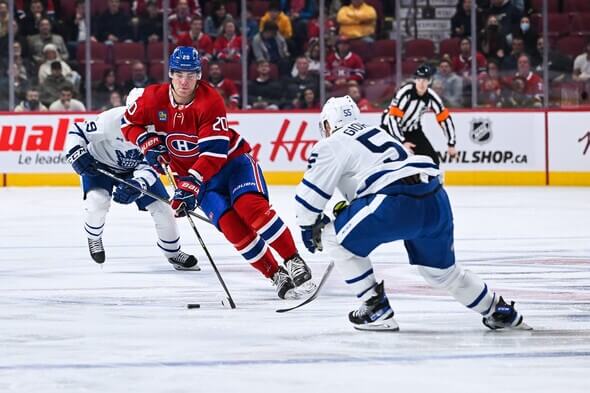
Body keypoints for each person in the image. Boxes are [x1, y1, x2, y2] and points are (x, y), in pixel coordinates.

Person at [295, 95, 531, 332]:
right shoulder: (379, 133)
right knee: (442, 273)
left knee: (332, 237)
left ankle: (375, 308)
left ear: (327, 123)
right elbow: (373, 177)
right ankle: (499, 311)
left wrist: (308, 226)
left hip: (395, 202)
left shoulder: (331, 143)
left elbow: (309, 196)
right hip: (434, 198)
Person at [121, 46, 313, 299]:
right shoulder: (151, 99)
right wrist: (146, 143)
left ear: (199, 75)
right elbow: (128, 123)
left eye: (191, 75)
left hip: (232, 165)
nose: (184, 81)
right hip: (196, 180)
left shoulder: (209, 100)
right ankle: (275, 273)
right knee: (232, 227)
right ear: (170, 73)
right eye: (179, 74)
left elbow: (214, 152)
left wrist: (190, 185)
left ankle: (293, 259)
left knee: (249, 208)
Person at [64, 94, 199, 271]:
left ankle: (173, 252)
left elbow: (154, 166)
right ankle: (94, 237)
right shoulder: (110, 120)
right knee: (97, 202)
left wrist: (139, 184)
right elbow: (77, 131)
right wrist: (76, 152)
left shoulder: (161, 130)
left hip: (136, 171)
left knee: (163, 209)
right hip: (100, 164)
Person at [381, 65, 457, 166]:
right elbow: (393, 119)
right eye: (419, 79)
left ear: (430, 81)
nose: (421, 83)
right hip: (390, 129)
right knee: (392, 162)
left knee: (433, 162)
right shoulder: (405, 92)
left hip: (413, 130)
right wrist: (402, 141)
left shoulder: (431, 97)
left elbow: (445, 119)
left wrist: (451, 144)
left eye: (425, 80)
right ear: (415, 80)